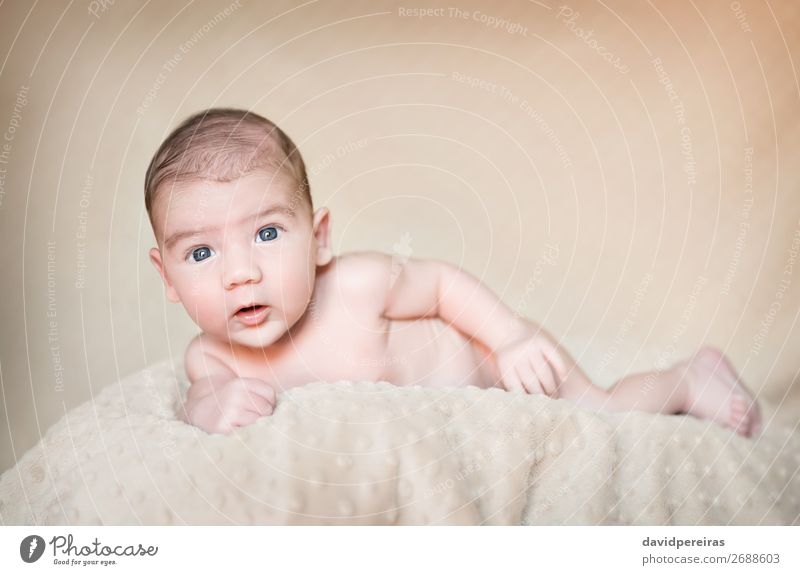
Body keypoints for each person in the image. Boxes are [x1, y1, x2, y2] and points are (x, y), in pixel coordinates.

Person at [145, 108, 760, 437]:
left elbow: (439, 285)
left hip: (497, 363)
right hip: (464, 423)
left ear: (320, 239)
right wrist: (210, 407)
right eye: (201, 253)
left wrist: (510, 337)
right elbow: (201, 400)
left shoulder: (355, 286)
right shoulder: (211, 359)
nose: (240, 274)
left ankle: (685, 379)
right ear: (167, 278)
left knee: (600, 413)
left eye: (268, 233)